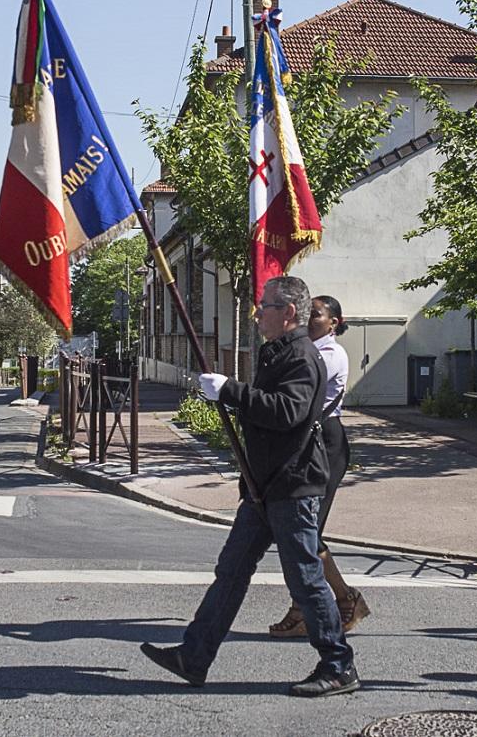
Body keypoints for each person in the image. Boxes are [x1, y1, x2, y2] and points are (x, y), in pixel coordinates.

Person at [140, 275, 358, 698]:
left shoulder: (302, 356)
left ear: (288, 312)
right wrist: (230, 396)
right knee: (232, 570)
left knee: (305, 579)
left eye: (265, 306)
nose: (257, 313)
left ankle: (338, 665)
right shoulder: (279, 351)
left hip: (292, 486)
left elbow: (288, 412)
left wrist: (231, 391)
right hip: (264, 487)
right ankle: (194, 656)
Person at [268, 294, 370, 638]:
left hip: (326, 441)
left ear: (333, 323)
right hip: (306, 441)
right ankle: (344, 599)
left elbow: (298, 389)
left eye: (317, 314)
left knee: (306, 532)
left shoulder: (329, 354)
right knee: (304, 532)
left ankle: (310, 609)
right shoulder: (305, 349)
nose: (309, 319)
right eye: (307, 313)